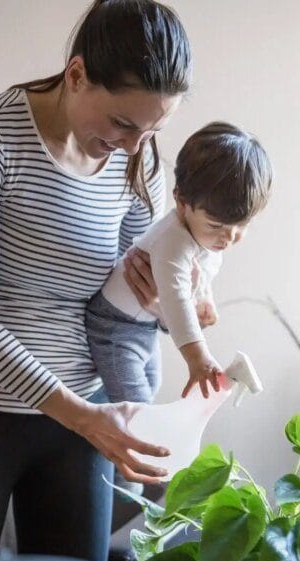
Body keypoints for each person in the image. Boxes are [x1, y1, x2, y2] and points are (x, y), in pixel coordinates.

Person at [0, 0, 193, 561]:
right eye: (122, 123)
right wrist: (82, 415)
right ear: (78, 74)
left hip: (82, 422)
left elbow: (125, 296)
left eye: (154, 129)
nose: (135, 145)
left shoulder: (139, 159)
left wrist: (167, 305)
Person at [87, 122, 273, 406]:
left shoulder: (207, 237)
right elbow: (174, 297)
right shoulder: (173, 240)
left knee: (151, 387)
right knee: (136, 409)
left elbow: (199, 277)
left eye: (242, 225)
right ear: (182, 202)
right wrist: (197, 357)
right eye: (216, 225)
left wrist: (204, 300)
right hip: (114, 328)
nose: (230, 237)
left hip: (143, 325)